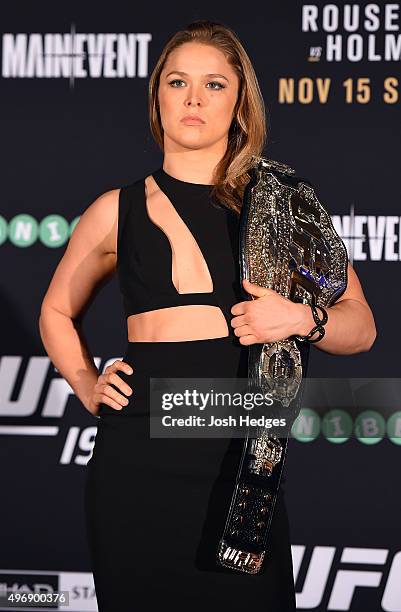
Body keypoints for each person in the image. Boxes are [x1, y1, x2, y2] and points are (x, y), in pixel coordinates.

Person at [38, 19, 376, 612]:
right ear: (157, 99)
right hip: (135, 463)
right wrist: (88, 383)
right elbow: (56, 310)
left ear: (240, 101)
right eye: (178, 82)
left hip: (241, 465)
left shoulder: (284, 204)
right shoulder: (113, 211)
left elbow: (361, 327)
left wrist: (300, 319)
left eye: (215, 84)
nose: (194, 99)